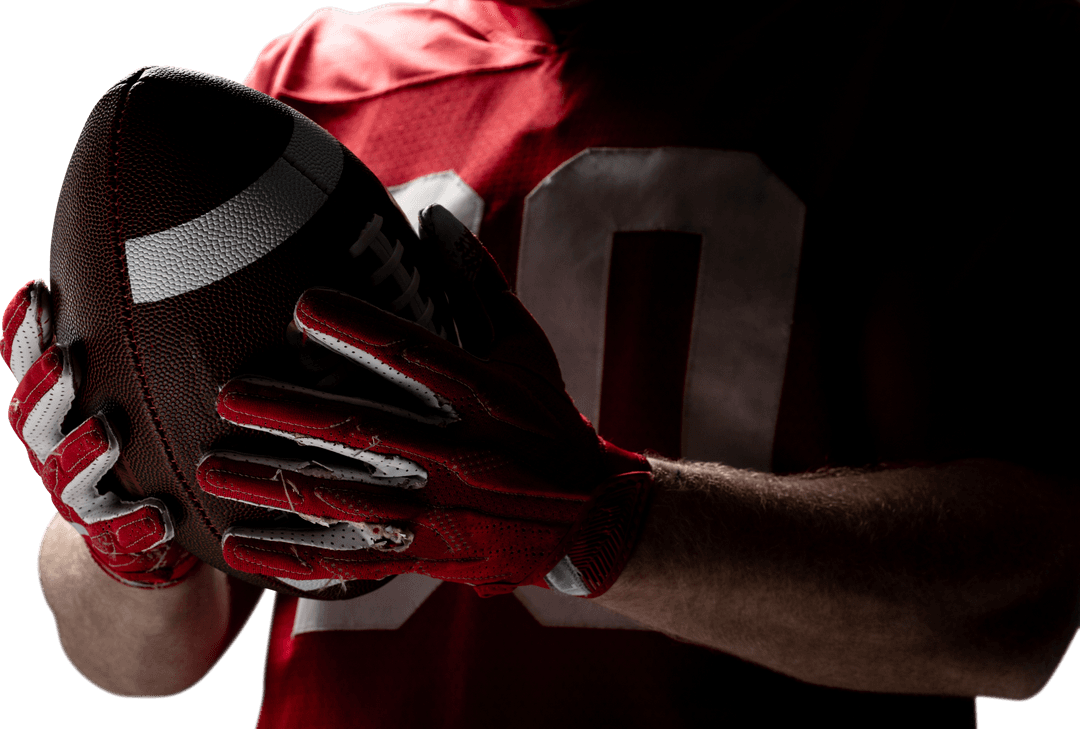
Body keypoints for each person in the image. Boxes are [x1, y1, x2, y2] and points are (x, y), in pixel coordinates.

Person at [7, 0, 1078, 727]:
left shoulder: (924, 69)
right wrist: (125, 547)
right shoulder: (295, 91)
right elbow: (153, 662)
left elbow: (1020, 609)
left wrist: (600, 520)